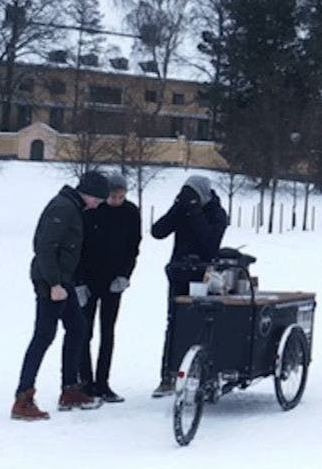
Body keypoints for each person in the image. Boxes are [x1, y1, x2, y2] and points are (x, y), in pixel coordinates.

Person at [13, 172, 110, 420]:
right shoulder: (63, 208)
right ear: (88, 193)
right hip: (50, 282)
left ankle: (70, 390)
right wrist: (54, 284)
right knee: (43, 336)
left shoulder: (72, 207)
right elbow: (44, 247)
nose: (98, 204)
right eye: (98, 199)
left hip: (63, 281)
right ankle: (23, 398)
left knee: (77, 329)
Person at [150, 175, 227, 397]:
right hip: (178, 272)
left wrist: (195, 213)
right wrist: (177, 209)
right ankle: (168, 375)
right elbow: (158, 231)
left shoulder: (216, 213)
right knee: (174, 322)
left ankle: (206, 373)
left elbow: (210, 244)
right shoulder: (182, 209)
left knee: (204, 322)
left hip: (204, 275)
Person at [74, 172, 140, 403]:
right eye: (112, 196)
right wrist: (79, 281)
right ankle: (85, 381)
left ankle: (103, 382)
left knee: (108, 331)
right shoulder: (91, 210)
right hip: (89, 280)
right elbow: (79, 248)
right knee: (85, 331)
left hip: (114, 282)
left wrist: (124, 275)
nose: (116, 200)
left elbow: (133, 246)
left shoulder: (131, 212)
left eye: (121, 196)